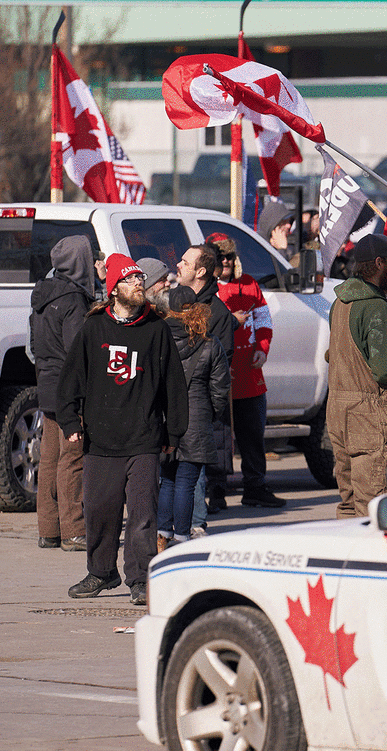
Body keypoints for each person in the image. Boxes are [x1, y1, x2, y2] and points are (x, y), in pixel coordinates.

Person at [57, 254, 188, 605]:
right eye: (130, 281)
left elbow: (173, 385)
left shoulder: (156, 329)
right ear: (113, 289)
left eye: (140, 280)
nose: (138, 285)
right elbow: (69, 381)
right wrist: (70, 421)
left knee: (143, 513)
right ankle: (102, 572)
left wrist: (174, 434)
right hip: (100, 440)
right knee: (99, 509)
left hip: (144, 438)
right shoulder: (93, 328)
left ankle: (141, 578)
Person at [327, 233, 387, 518]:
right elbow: (386, 370)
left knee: (349, 502)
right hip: (371, 417)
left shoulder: (340, 303)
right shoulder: (375, 308)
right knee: (377, 505)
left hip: (340, 413)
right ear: (378, 263)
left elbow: (336, 355)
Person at [207, 233, 286, 509]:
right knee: (219, 439)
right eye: (220, 256)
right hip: (220, 378)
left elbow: (263, 317)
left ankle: (255, 486)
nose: (226, 261)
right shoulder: (208, 290)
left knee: (252, 437)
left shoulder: (250, 284)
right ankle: (216, 491)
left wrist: (262, 348)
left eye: (229, 256)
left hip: (250, 376)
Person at [29, 235, 95, 552]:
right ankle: (74, 531)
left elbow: (35, 347)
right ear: (78, 263)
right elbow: (77, 352)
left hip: (47, 384)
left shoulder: (43, 296)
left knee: (50, 459)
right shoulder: (74, 300)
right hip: (69, 389)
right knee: (73, 459)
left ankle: (49, 530)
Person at [157, 285, 230, 550]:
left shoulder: (159, 338)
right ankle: (183, 537)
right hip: (197, 417)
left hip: (165, 418)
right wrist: (211, 413)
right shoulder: (210, 343)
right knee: (187, 482)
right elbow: (220, 388)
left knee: (167, 479)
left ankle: (162, 534)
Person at [175, 243, 236, 513]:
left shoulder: (218, 313)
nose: (178, 264)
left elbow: (220, 371)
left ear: (201, 271)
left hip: (197, 410)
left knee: (193, 477)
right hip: (170, 406)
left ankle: (194, 525)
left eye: (185, 262)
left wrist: (206, 408)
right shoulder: (172, 303)